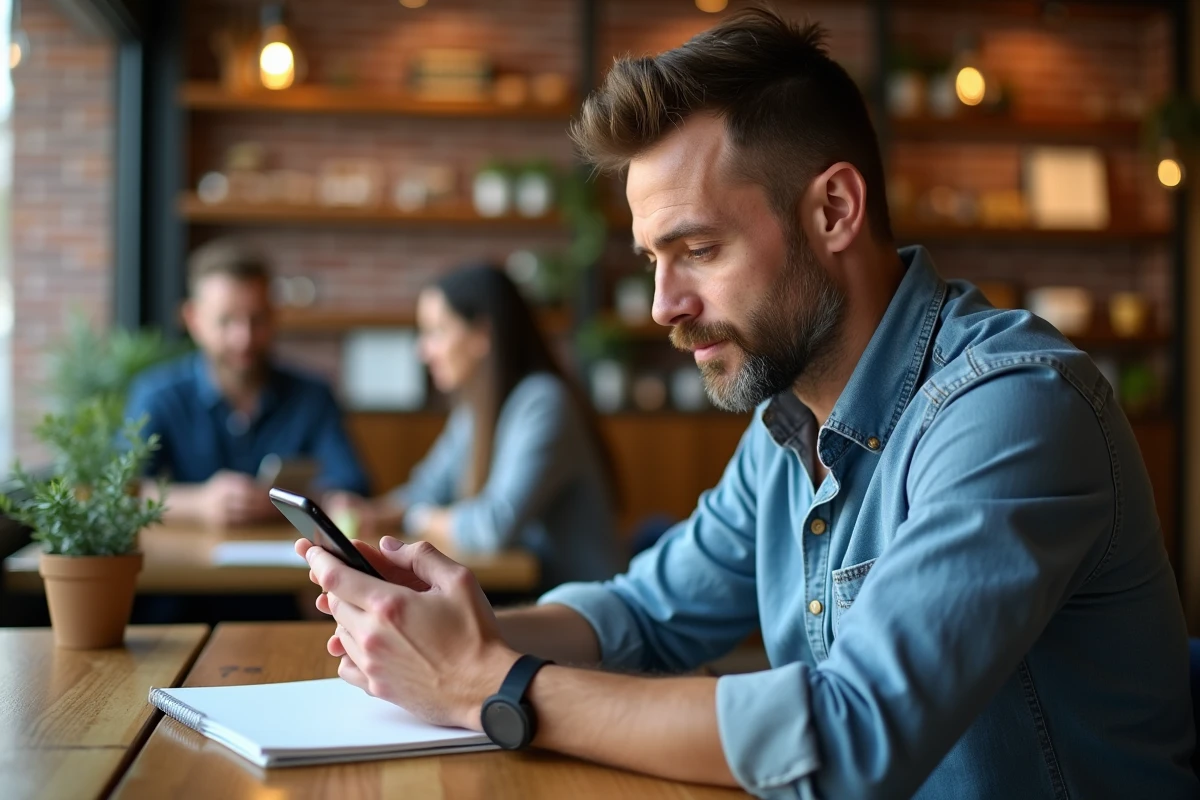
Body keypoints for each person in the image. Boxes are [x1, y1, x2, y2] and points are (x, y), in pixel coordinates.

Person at [296, 9, 1197, 799]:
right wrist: (457, 630)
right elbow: (646, 615)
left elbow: (852, 737)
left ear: (834, 210)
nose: (662, 305)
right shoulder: (787, 424)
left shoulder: (1010, 409)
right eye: (654, 258)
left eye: (698, 248)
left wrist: (491, 686)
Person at [327, 265, 623, 589]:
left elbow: (492, 527)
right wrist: (374, 512)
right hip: (530, 595)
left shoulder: (543, 403)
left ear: (482, 335)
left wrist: (419, 517)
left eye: (436, 332)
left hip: (583, 612)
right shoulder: (476, 410)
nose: (423, 351)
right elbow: (427, 489)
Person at [126, 239, 370, 526]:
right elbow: (124, 491)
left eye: (257, 319)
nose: (244, 338)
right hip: (190, 565)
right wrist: (199, 504)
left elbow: (351, 486)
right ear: (194, 320)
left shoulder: (312, 396)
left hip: (295, 566)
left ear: (275, 315)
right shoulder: (158, 395)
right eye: (226, 321)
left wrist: (292, 501)